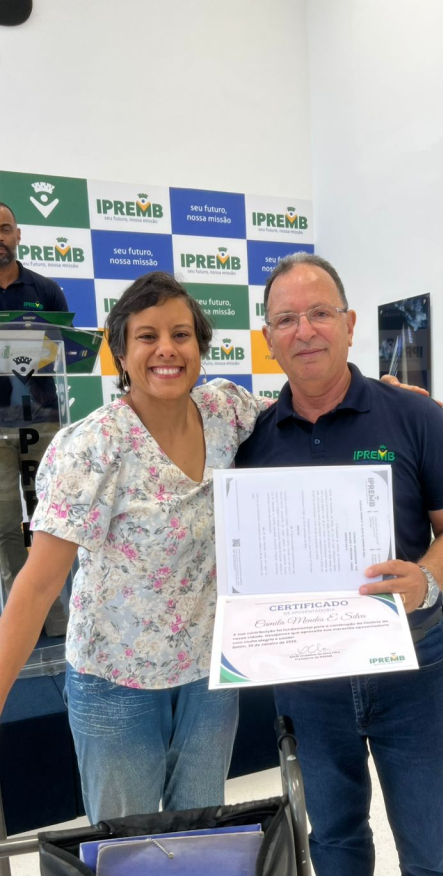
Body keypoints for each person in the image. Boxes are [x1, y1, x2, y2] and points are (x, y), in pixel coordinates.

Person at [235, 253, 443, 876]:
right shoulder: (251, 437)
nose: (304, 330)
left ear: (348, 324)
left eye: (319, 313)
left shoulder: (414, 416)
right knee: (336, 839)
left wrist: (426, 578)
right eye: (286, 319)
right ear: (268, 338)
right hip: (309, 675)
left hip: (412, 667)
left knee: (432, 847)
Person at [0, 271, 267, 823]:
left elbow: (303, 410)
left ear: (200, 347)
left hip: (209, 677)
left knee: (202, 835)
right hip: (115, 682)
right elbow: (38, 586)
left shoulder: (226, 412)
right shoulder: (92, 446)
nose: (166, 349)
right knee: (128, 848)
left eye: (181, 334)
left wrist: (385, 397)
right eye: (147, 336)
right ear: (120, 352)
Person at [0, 200, 69, 634]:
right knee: (6, 523)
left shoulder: (46, 290)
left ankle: (58, 613)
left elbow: (66, 347)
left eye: (4, 229)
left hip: (42, 420)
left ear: (18, 235)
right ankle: (19, 617)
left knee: (50, 520)